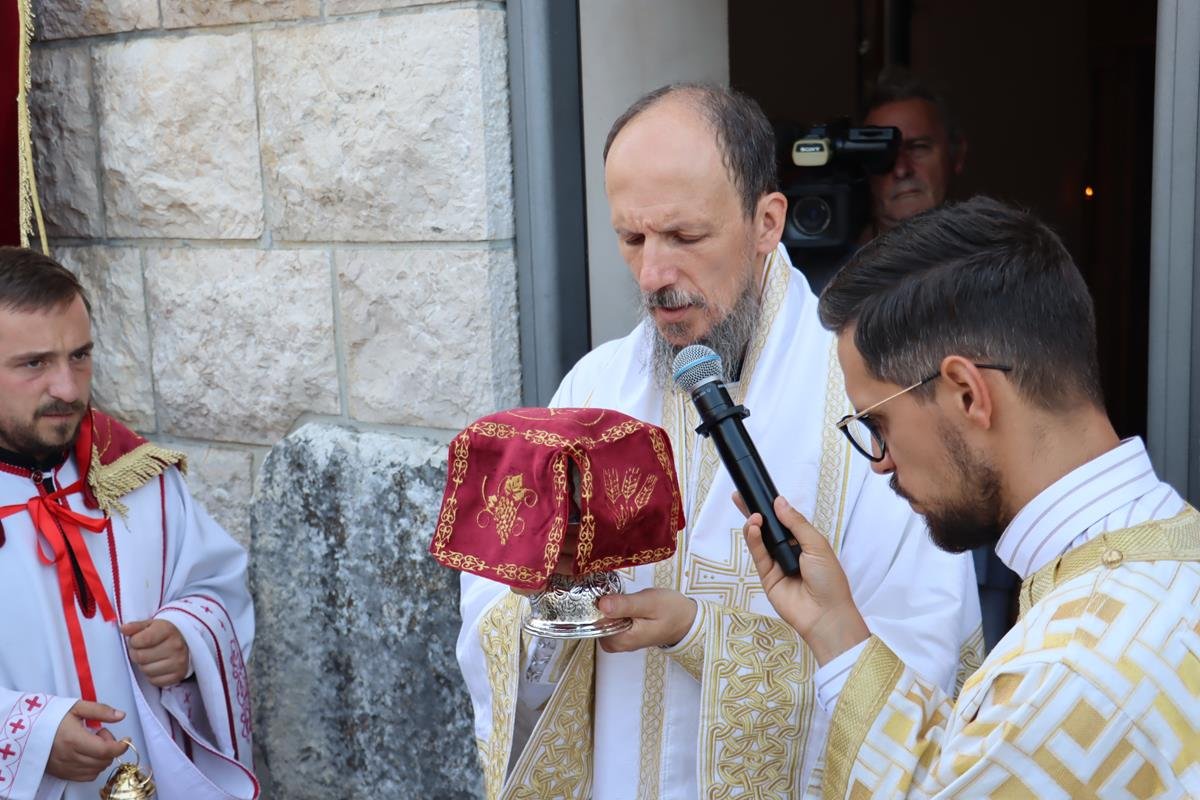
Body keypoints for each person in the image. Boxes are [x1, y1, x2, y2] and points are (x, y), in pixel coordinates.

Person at [456, 83, 982, 800]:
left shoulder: (867, 401)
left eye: (684, 237)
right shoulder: (593, 388)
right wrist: (546, 601)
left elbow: (920, 662)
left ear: (767, 222)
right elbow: (494, 612)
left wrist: (702, 635)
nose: (653, 275)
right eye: (632, 238)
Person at [742, 196, 1199, 798]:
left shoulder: (1070, 674)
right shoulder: (1164, 559)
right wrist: (832, 625)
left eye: (877, 423)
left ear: (966, 393)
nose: (879, 462)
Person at [0, 248, 257, 800]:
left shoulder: (134, 475)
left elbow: (216, 589)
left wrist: (188, 640)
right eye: (34, 363)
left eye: (80, 356)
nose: (68, 388)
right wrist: (28, 738)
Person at [860, 66, 967, 240]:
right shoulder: (840, 258)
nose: (901, 170)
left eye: (918, 148)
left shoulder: (995, 252)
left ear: (957, 154)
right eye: (883, 154)